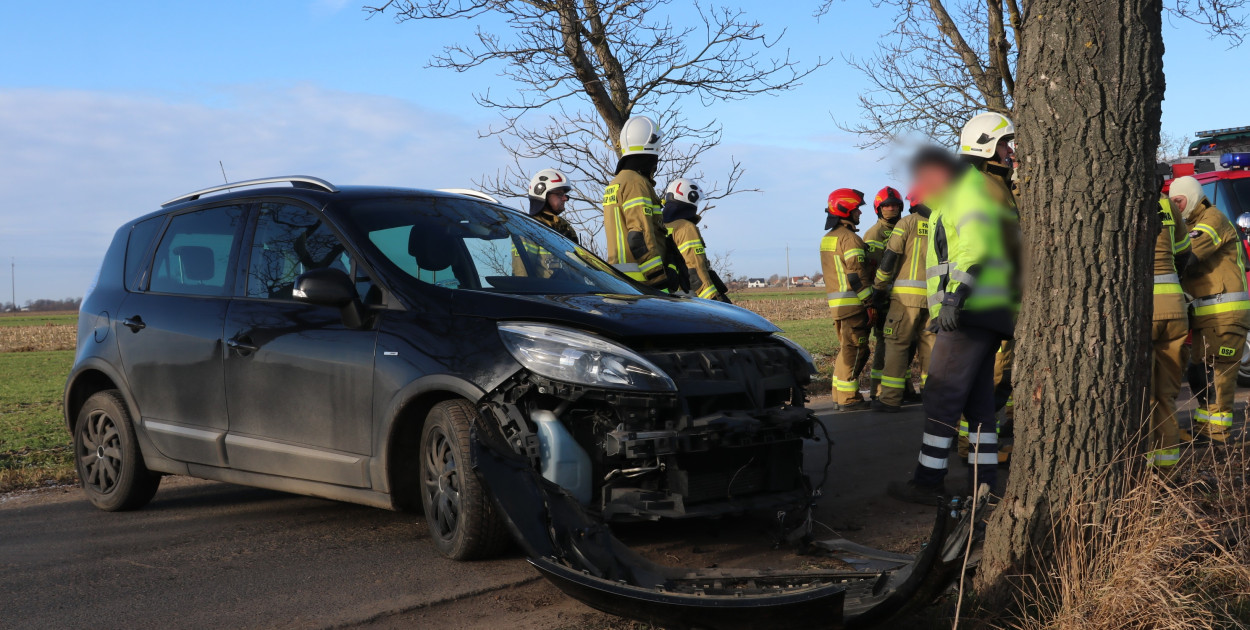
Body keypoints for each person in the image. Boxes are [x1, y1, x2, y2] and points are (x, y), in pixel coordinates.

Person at [888, 140, 1020, 506]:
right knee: (978, 406)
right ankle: (984, 486)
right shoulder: (981, 191)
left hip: (968, 310)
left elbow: (975, 249)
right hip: (989, 311)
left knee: (942, 395)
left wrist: (954, 298)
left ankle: (928, 482)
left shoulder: (966, 191)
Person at [1173, 175, 1250, 443]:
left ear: (1193, 196)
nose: (1176, 207)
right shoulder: (1190, 224)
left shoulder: (1212, 219)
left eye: (1179, 201)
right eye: (1172, 202)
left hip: (1224, 313)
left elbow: (1189, 255)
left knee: (1218, 375)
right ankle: (1207, 430)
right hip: (1209, 315)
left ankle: (1217, 435)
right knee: (1199, 373)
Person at [871, 187, 936, 412]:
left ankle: (890, 399)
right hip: (934, 299)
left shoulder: (906, 223)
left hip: (905, 299)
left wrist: (878, 288)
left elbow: (890, 257)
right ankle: (932, 398)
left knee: (897, 346)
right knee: (930, 348)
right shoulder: (943, 224)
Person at [603, 115, 677, 291]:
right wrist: (659, 279)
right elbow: (639, 235)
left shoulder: (615, 183)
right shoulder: (636, 183)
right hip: (642, 283)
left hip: (620, 280)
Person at [820, 188, 873, 410]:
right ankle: (848, 398)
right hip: (854, 306)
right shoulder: (849, 238)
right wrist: (869, 303)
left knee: (846, 350)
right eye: (857, 209)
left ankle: (838, 395)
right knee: (857, 350)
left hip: (838, 307)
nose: (860, 214)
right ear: (846, 210)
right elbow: (856, 274)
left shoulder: (828, 238)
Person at [1149, 195, 1191, 468]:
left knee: (1143, 395)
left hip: (1144, 309)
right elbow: (1185, 253)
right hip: (1176, 308)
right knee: (1165, 396)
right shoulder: (1167, 204)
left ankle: (1141, 473)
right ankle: (1166, 476)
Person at [864, 187, 904, 399]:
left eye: (895, 205)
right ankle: (876, 390)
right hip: (883, 297)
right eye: (887, 206)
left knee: (905, 342)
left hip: (903, 297)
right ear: (879, 209)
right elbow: (871, 269)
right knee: (883, 343)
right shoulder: (874, 233)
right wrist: (875, 300)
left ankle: (903, 387)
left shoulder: (906, 226)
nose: (891, 209)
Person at [662, 178, 731, 302]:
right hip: (688, 297)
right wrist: (714, 300)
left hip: (668, 296)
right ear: (690, 198)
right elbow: (696, 269)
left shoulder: (660, 225)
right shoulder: (686, 227)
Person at [513, 168, 577, 278]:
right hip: (544, 294)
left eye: (565, 194)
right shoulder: (529, 229)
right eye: (559, 194)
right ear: (542, 194)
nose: (565, 198)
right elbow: (521, 274)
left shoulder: (566, 229)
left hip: (571, 293)